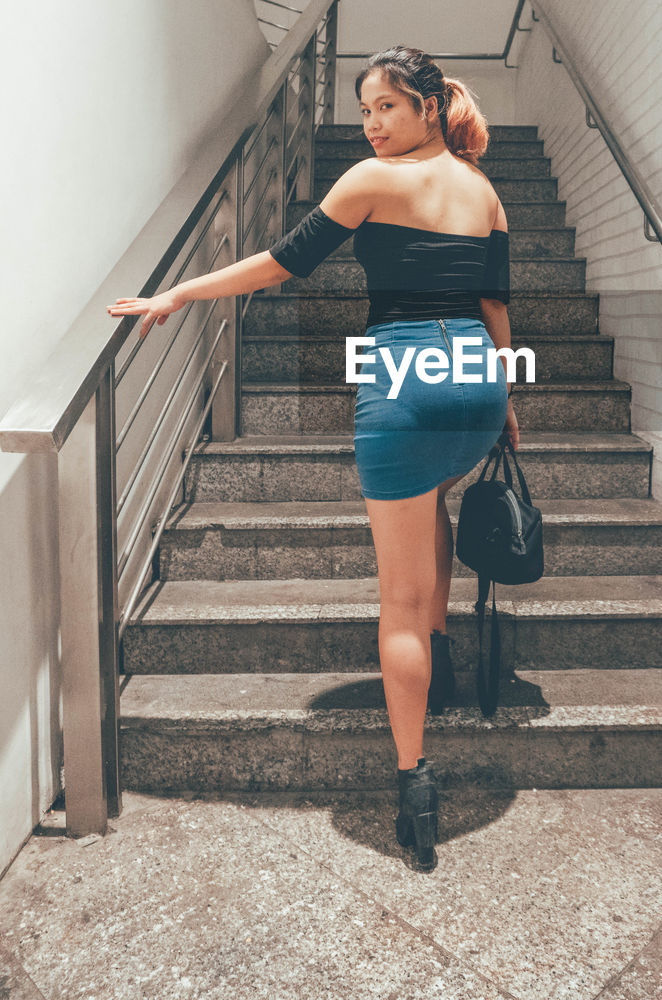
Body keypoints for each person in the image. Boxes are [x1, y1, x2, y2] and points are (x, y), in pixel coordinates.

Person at [106, 45, 519, 870]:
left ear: (428, 108)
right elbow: (494, 304)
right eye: (364, 110)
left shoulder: (369, 183)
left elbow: (282, 262)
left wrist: (179, 292)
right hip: (475, 382)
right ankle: (436, 663)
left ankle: (415, 781)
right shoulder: (483, 191)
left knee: (396, 600)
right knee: (431, 503)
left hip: (405, 377)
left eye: (386, 109)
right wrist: (507, 402)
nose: (370, 124)